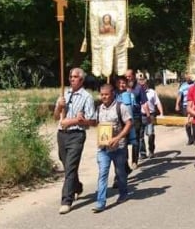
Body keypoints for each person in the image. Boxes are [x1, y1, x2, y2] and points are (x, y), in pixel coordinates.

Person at [53, 68, 97, 215]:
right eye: (70, 76)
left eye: (75, 77)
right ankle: (77, 186)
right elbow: (55, 117)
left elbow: (92, 121)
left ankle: (66, 200)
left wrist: (77, 121)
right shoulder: (64, 94)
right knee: (66, 165)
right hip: (62, 134)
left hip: (76, 135)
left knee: (71, 167)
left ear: (82, 79)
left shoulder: (87, 97)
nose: (72, 79)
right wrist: (59, 106)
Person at [92, 84, 132, 213]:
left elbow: (129, 124)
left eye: (106, 94)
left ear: (112, 94)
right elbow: (95, 124)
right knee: (102, 174)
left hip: (118, 148)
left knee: (120, 173)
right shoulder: (99, 109)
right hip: (103, 149)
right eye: (102, 94)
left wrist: (118, 138)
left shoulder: (121, 107)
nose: (104, 97)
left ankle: (123, 193)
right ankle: (101, 202)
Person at [139, 75, 163, 158]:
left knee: (150, 134)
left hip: (151, 115)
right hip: (140, 116)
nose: (141, 81)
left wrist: (161, 113)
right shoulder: (136, 92)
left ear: (146, 80)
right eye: (139, 79)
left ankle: (151, 150)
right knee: (140, 136)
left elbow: (158, 103)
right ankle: (142, 153)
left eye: (142, 79)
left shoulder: (152, 92)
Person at [175, 73, 194, 145]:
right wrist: (177, 104)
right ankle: (190, 138)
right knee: (187, 123)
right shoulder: (183, 86)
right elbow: (179, 95)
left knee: (194, 122)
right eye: (186, 78)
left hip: (194, 106)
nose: (187, 79)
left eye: (189, 78)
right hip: (185, 106)